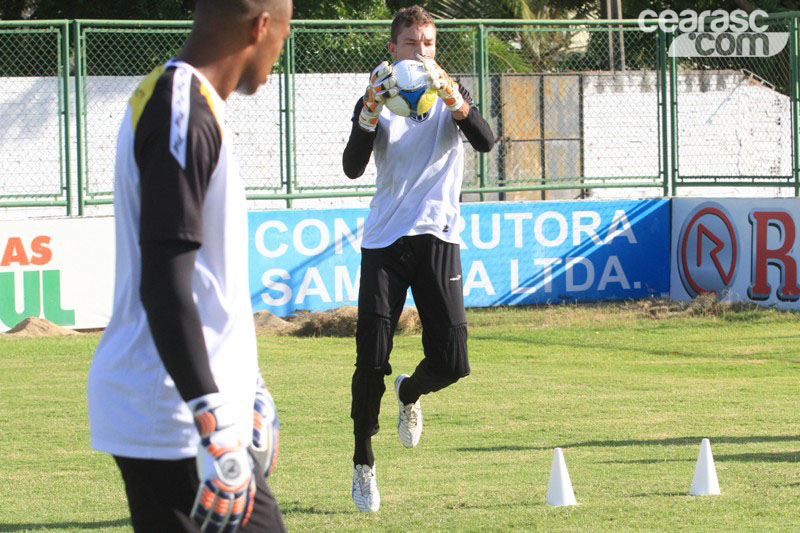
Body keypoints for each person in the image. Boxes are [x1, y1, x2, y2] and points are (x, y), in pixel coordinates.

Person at [87, 1, 291, 531]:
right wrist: (213, 419)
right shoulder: (183, 110)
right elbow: (165, 284)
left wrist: (248, 385)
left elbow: (204, 282)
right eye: (284, 35)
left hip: (179, 414)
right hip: (172, 420)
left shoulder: (187, 101)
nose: (279, 52)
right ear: (261, 26)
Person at [342, 4, 495, 513]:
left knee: (454, 361)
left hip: (438, 234)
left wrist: (456, 101)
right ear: (393, 49)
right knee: (371, 360)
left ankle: (411, 391)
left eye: (428, 44)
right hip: (385, 240)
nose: (420, 52)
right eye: (411, 44)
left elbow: (486, 142)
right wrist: (367, 110)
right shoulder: (378, 96)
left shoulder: (451, 90)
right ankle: (364, 462)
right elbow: (351, 166)